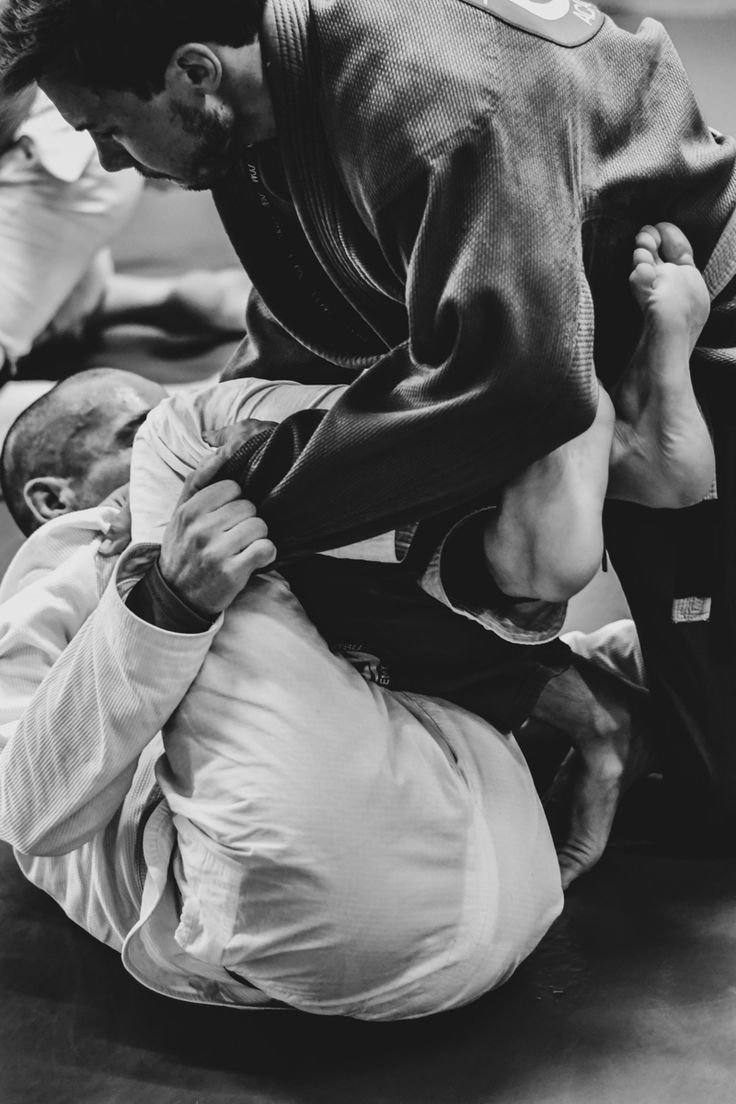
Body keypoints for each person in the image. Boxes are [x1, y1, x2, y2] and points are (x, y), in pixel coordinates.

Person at [1, 0, 733, 836]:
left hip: (672, 333)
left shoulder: (437, 106)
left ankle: (642, 448)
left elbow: (525, 387)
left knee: (718, 794)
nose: (107, 161)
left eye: (107, 130)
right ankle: (588, 663)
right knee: (280, 530)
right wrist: (194, 473)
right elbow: (304, 324)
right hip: (563, 344)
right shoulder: (252, 116)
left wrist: (229, 496)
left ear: (195, 72)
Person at [0, 367, 566, 1019]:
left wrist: (577, 683)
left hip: (499, 860)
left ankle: (521, 446)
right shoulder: (59, 569)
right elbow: (24, 812)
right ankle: (528, 415)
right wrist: (168, 599)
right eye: (122, 436)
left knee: (241, 473)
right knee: (182, 434)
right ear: (52, 498)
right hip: (316, 896)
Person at [0, 85, 251, 390]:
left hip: (52, 157)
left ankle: (193, 408)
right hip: (75, 127)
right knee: (80, 301)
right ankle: (206, 303)